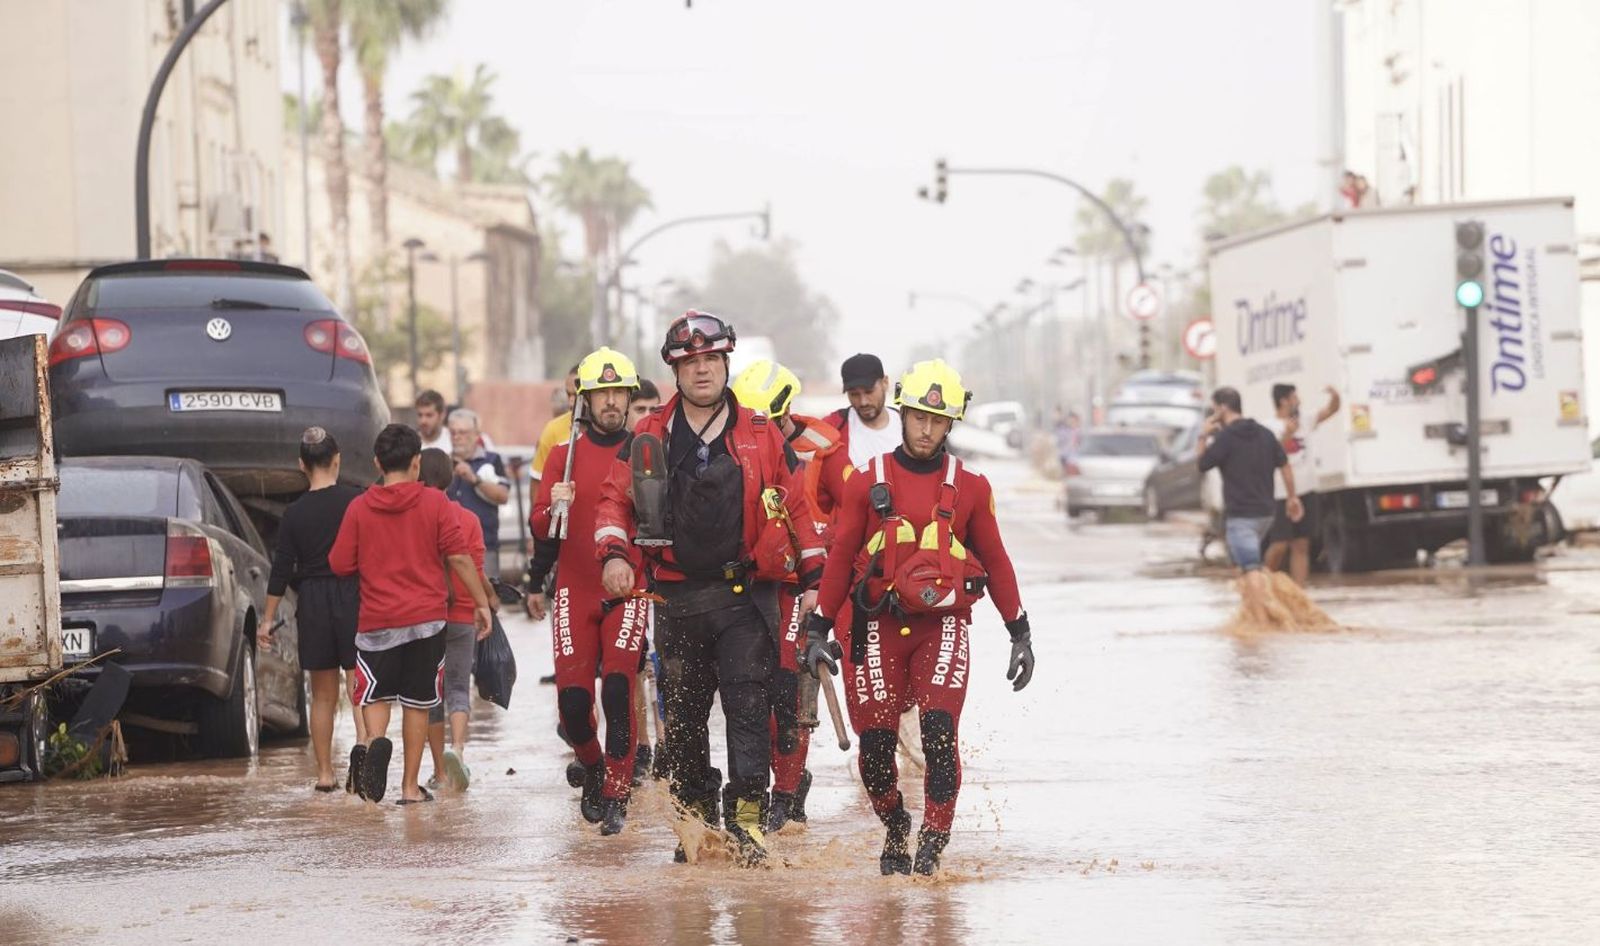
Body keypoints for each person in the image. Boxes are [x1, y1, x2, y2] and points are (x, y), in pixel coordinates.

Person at [595, 311, 824, 866]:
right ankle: (696, 828)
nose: (701, 371)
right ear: (675, 370)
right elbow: (612, 502)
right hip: (675, 600)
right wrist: (614, 554)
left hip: (746, 601)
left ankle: (748, 829)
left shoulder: (764, 434)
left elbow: (797, 507)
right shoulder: (648, 436)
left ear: (726, 364)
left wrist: (816, 581)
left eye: (710, 360)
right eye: (689, 362)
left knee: (749, 715)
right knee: (687, 723)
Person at [803, 359, 1035, 877]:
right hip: (877, 626)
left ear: (951, 424)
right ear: (902, 413)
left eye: (937, 421)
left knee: (936, 733)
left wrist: (1019, 631)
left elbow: (996, 561)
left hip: (944, 626)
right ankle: (895, 825)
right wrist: (818, 626)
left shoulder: (972, 487)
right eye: (917, 418)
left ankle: (934, 837)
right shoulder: (867, 481)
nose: (926, 430)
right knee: (876, 749)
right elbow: (840, 559)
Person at [330, 424, 492, 805]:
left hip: (376, 622)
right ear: (417, 462)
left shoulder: (359, 508)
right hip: (426, 622)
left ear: (377, 463)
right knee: (419, 705)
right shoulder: (435, 504)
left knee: (376, 697)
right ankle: (408, 788)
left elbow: (339, 563)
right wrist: (481, 603)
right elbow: (459, 558)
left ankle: (374, 742)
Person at [527, 347, 650, 836]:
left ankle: (619, 792)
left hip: (627, 590)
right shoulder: (563, 455)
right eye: (603, 394)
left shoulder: (644, 451)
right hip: (573, 592)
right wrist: (553, 506)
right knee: (575, 706)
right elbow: (540, 528)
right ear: (585, 399)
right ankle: (593, 764)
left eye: (620, 392)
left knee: (619, 689)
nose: (613, 402)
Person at [731, 358, 851, 833]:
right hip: (748, 586)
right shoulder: (733, 441)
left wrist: (825, 576)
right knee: (747, 701)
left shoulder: (823, 450)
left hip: (802, 588)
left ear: (785, 414)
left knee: (791, 698)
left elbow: (854, 508)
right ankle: (753, 799)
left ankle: (786, 792)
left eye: (767, 421)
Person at [259, 427, 366, 792]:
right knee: (358, 686)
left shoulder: (293, 514)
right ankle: (366, 758)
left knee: (322, 694)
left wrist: (268, 618)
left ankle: (324, 774)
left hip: (313, 600)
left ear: (301, 465)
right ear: (338, 460)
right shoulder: (357, 501)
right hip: (353, 595)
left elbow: (281, 569)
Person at [418, 448, 495, 793]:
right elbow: (474, 569)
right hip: (464, 612)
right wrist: (486, 603)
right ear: (450, 480)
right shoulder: (468, 519)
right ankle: (458, 750)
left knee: (431, 695)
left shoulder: (415, 517)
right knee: (459, 689)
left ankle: (439, 770)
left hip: (428, 615)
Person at [1197, 387, 1302, 617]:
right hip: (1266, 514)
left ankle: (1264, 622)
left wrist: (1203, 435)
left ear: (1222, 408)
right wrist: (1292, 497)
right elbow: (1284, 463)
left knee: (1250, 570)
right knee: (1242, 568)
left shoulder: (1225, 438)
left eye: (1214, 409)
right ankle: (1256, 613)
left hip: (1241, 516)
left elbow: (1202, 464)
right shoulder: (1264, 433)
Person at [1264, 383, 1340, 584]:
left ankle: (1299, 592)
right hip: (1281, 494)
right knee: (1279, 544)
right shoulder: (1269, 426)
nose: (1299, 401)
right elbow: (1273, 454)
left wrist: (1335, 397)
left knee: (1301, 545)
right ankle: (1263, 584)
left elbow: (1332, 410)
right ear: (1284, 401)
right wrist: (1288, 434)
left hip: (1307, 490)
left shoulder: (1305, 420)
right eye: (1295, 397)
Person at [446, 408, 510, 560]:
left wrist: (475, 480)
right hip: (448, 548)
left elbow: (503, 496)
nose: (457, 437)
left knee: (487, 584)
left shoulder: (492, 460)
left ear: (476, 435)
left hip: (484, 545)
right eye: (453, 432)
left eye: (463, 433)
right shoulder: (443, 461)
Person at [826, 353, 902, 470]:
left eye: (869, 391)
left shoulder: (908, 426)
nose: (863, 402)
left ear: (885, 383)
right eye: (854, 394)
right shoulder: (831, 428)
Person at [532, 364, 581, 482]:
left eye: (577, 395)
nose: (570, 403)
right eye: (568, 394)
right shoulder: (553, 429)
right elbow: (537, 482)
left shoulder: (616, 429)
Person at [415, 390, 451, 454]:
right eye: (420, 415)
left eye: (429, 415)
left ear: (442, 415)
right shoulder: (410, 444)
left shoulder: (452, 441)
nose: (423, 421)